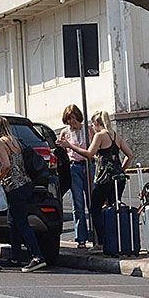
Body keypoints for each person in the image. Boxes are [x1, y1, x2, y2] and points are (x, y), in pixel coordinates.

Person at [58, 111, 134, 247]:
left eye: (93, 124)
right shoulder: (115, 135)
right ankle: (116, 240)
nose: (92, 126)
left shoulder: (100, 136)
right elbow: (130, 155)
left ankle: (102, 241)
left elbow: (89, 153)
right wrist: (121, 170)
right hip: (118, 178)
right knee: (113, 206)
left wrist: (70, 146)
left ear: (98, 123)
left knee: (95, 208)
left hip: (104, 177)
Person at [0, 116, 46, 272]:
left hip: (15, 187)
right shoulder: (15, 141)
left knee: (21, 222)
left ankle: (37, 256)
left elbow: (6, 165)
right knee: (12, 221)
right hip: (26, 184)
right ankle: (15, 257)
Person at [57, 105, 90, 248]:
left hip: (88, 166)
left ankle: (97, 235)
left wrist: (69, 145)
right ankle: (81, 238)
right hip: (74, 167)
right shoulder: (65, 132)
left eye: (74, 119)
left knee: (92, 201)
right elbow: (61, 150)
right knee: (78, 204)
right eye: (69, 120)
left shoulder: (87, 130)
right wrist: (61, 146)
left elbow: (91, 148)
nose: (72, 123)